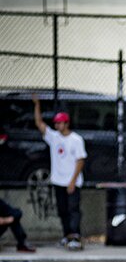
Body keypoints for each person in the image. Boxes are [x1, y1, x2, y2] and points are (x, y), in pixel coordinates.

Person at [32, 95, 85, 250]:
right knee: (62, 210)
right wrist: (37, 105)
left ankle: (75, 236)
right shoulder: (53, 137)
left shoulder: (76, 140)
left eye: (59, 123)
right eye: (56, 123)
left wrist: (73, 181)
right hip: (58, 180)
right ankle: (66, 235)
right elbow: (39, 124)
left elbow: (80, 160)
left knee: (73, 209)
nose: (57, 125)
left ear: (66, 123)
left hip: (72, 181)